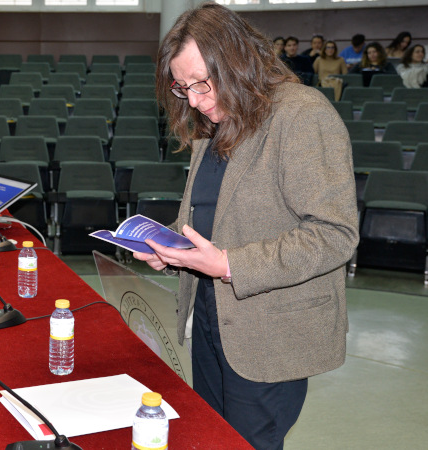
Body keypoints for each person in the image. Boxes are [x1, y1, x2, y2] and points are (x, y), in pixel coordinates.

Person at [141, 3, 358, 449]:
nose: (197, 101)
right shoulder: (214, 122)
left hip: (269, 335)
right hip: (210, 319)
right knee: (209, 439)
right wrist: (165, 242)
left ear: (238, 58)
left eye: (202, 83)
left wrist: (226, 264)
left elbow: (335, 234)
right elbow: (206, 214)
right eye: (184, 89)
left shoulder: (302, 114)